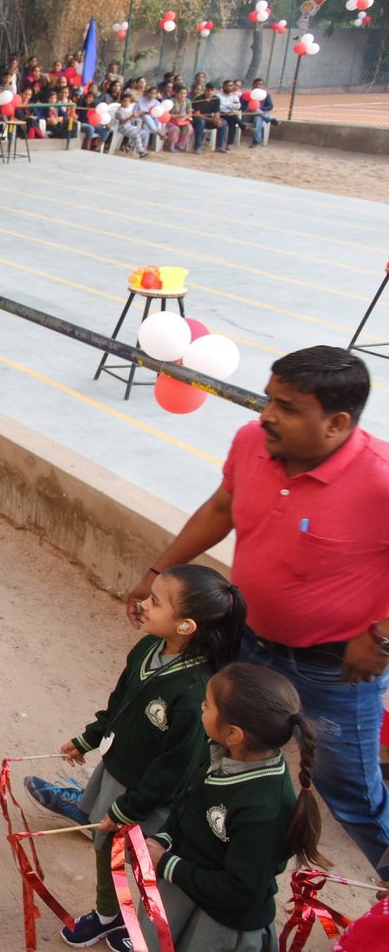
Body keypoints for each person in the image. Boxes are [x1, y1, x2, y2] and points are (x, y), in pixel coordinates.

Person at [127, 346, 389, 882]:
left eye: (286, 407)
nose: (266, 415)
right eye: (268, 399)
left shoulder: (380, 479)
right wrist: (160, 572)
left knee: (350, 791)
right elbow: (222, 508)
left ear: (336, 423)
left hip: (333, 669)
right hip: (245, 643)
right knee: (206, 745)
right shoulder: (252, 443)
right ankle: (146, 833)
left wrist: (382, 636)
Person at [26, 565, 246, 951]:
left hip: (151, 798)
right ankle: (109, 914)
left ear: (186, 626)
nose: (142, 604)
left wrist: (129, 809)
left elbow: (175, 770)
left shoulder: (194, 692)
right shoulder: (147, 648)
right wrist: (91, 737)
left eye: (155, 602)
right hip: (117, 776)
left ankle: (142, 927)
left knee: (145, 865)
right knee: (104, 847)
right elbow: (120, 703)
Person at [140, 664, 329, 952]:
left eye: (207, 704)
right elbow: (188, 804)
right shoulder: (222, 752)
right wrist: (163, 838)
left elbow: (242, 890)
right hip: (186, 887)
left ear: (233, 733)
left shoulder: (265, 812)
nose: (201, 707)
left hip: (220, 923)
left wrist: (166, 864)